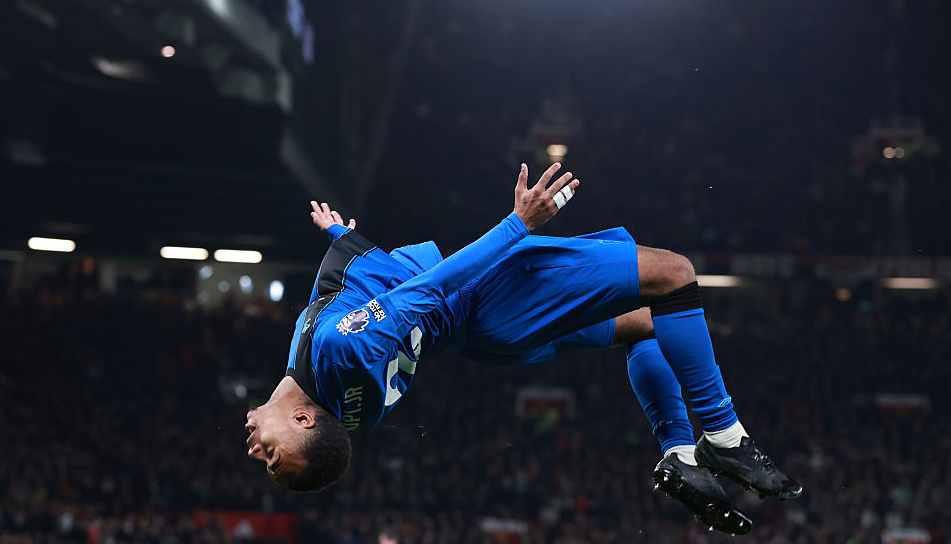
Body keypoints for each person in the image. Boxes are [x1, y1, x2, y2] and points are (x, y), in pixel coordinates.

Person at [245, 163, 801, 535]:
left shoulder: (340, 404)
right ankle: (724, 436)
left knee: (650, 323)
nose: (256, 451)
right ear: (302, 418)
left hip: (486, 337)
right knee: (674, 276)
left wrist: (340, 240)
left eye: (267, 458)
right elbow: (430, 288)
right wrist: (518, 224)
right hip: (491, 298)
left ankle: (680, 454)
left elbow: (354, 294)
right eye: (273, 453)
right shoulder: (341, 353)